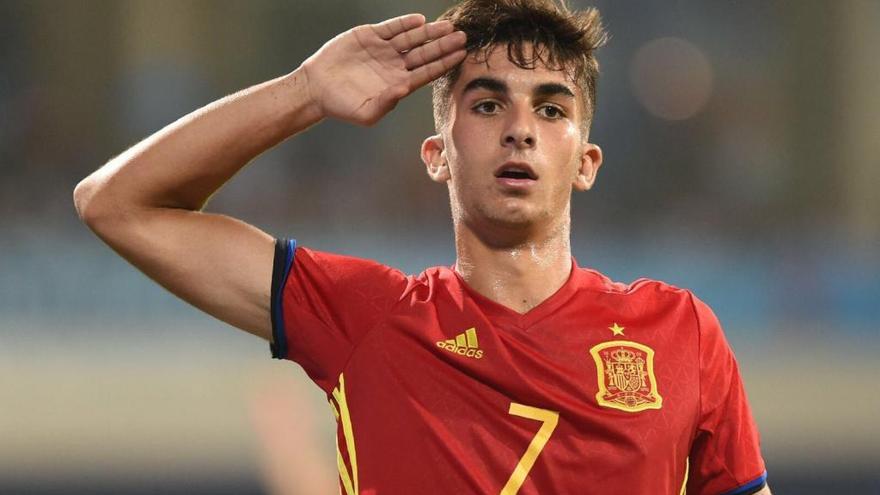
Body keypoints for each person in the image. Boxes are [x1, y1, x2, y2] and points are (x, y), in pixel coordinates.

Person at [73, 1, 770, 493]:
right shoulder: (367, 316)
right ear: (436, 154)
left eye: (551, 108)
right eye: (489, 104)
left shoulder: (682, 334)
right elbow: (115, 203)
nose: (520, 129)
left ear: (586, 162)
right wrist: (307, 92)